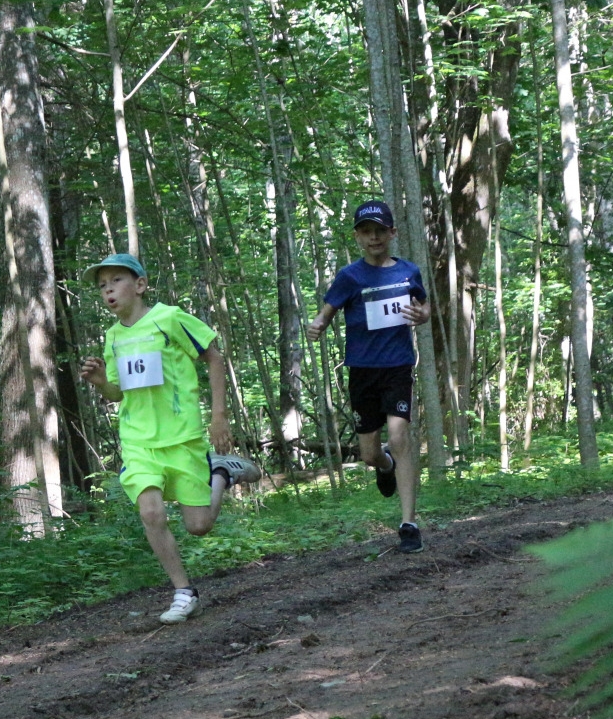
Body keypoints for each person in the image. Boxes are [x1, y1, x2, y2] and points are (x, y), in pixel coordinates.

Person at [79, 253, 261, 623]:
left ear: (140, 285)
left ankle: (221, 473)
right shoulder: (113, 336)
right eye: (102, 285)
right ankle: (183, 591)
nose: (108, 289)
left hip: (182, 437)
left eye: (116, 280)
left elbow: (213, 357)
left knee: (199, 526)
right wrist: (101, 383)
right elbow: (118, 393)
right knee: (150, 510)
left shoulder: (170, 318)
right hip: (138, 439)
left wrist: (220, 417)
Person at [306, 200, 430, 553]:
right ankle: (384, 464)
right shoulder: (350, 276)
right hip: (362, 370)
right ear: (358, 237)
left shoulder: (408, 271)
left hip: (397, 365)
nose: (374, 237)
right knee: (369, 454)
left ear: (392, 233)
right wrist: (317, 325)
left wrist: (423, 315)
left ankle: (409, 523)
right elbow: (326, 312)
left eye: (380, 230)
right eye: (366, 231)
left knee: (400, 433)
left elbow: (424, 306)